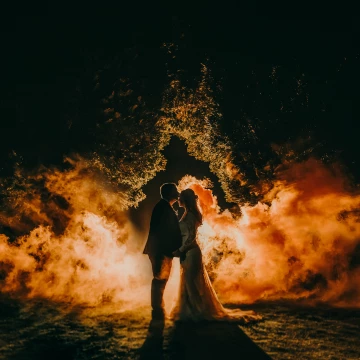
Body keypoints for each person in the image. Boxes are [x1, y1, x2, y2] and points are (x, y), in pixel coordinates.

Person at [171, 188, 261, 323]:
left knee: (191, 283)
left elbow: (190, 237)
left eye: (180, 198)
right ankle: (189, 310)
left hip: (190, 252)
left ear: (184, 200)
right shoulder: (189, 214)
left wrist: (181, 250)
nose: (178, 199)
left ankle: (197, 311)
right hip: (189, 251)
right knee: (188, 282)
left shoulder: (190, 216)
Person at [143, 183, 182, 321]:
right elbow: (164, 232)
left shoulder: (164, 207)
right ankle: (157, 307)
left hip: (161, 249)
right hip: (160, 250)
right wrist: (173, 248)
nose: (178, 193)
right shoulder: (163, 207)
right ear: (169, 193)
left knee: (161, 277)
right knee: (159, 277)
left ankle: (158, 305)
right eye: (175, 191)